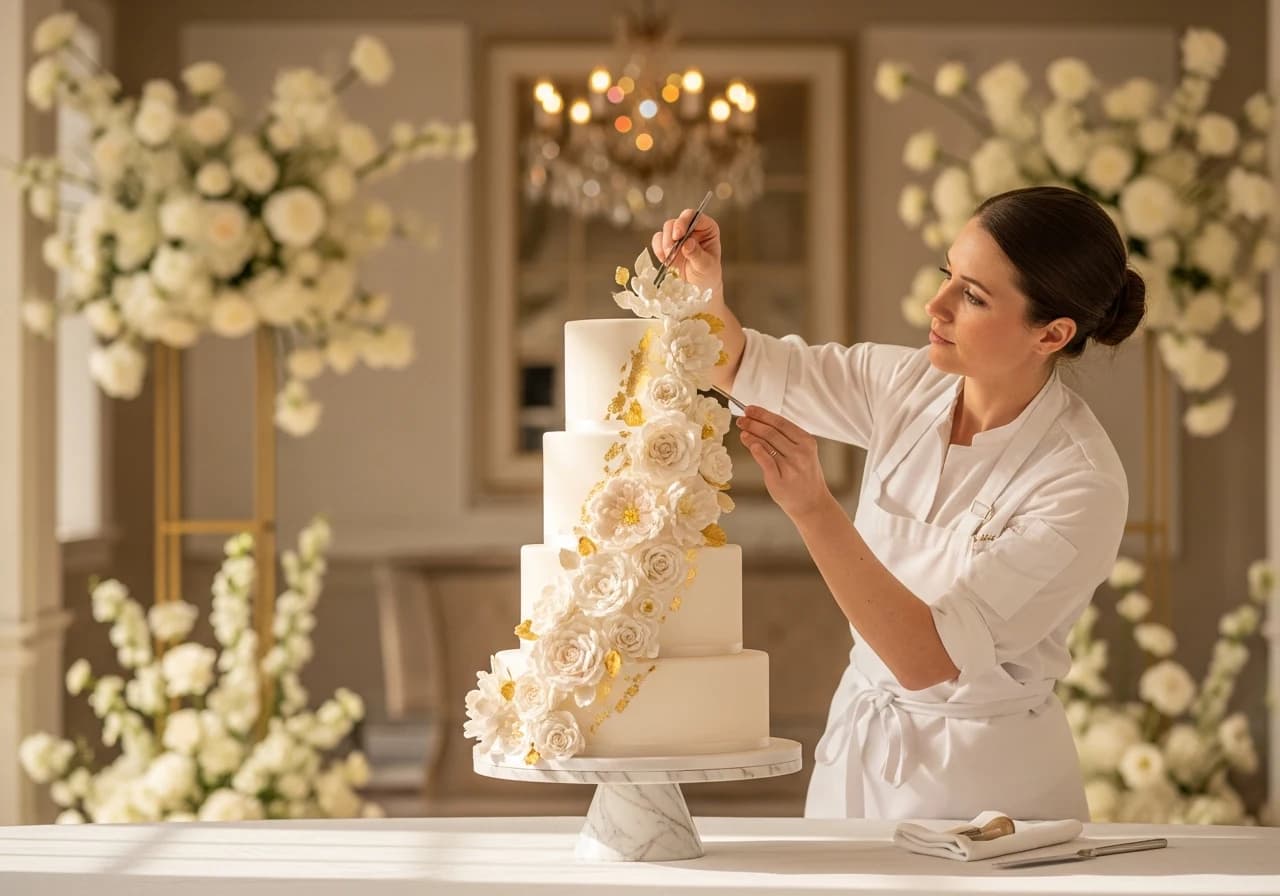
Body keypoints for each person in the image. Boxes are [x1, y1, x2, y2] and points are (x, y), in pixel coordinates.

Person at [651, 185, 1145, 821]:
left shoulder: (1079, 483)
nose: (935, 306)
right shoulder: (910, 385)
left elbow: (925, 660)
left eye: (972, 295)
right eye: (949, 276)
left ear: (1050, 334)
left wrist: (811, 507)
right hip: (858, 757)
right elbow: (741, 363)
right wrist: (704, 290)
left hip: (987, 797)